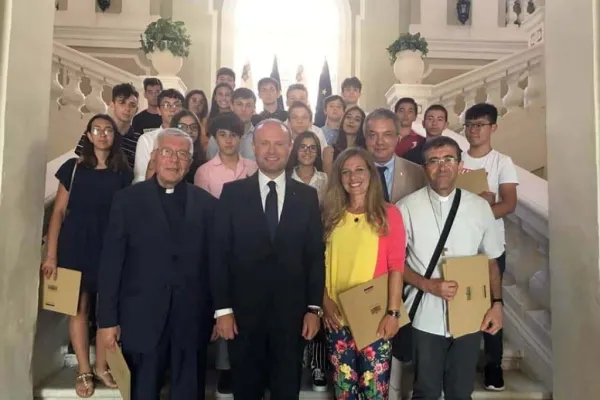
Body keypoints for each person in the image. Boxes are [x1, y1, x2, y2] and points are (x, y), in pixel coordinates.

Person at [98, 128, 215, 400]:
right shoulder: (127, 201)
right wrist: (107, 321)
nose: (174, 160)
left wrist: (217, 312)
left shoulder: (207, 205)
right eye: (167, 152)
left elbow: (214, 264)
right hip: (141, 319)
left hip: (191, 319)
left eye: (182, 154)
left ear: (190, 161)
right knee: (143, 392)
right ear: (154, 157)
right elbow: (111, 264)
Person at [211, 119, 325, 400]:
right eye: (265, 143)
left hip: (292, 317)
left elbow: (314, 255)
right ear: (254, 147)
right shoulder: (232, 194)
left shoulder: (308, 197)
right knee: (246, 390)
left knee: (286, 390)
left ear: (290, 149)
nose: (271, 150)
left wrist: (314, 308)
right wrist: (222, 310)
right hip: (243, 317)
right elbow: (219, 254)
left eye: (279, 144)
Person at [395, 136, 504, 400]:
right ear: (424, 167)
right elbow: (396, 265)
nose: (441, 166)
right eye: (433, 160)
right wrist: (428, 285)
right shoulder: (405, 207)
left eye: (448, 159)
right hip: (424, 313)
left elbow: (491, 260)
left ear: (459, 164)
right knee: (426, 391)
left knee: (460, 391)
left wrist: (497, 304)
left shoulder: (480, 208)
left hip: (470, 313)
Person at [42, 114, 132, 398]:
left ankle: (103, 365)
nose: (103, 134)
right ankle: (84, 368)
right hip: (76, 245)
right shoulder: (73, 168)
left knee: (107, 308)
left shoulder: (123, 171)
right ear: (89, 136)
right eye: (97, 129)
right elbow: (57, 213)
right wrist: (51, 255)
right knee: (78, 308)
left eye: (108, 130)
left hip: (111, 246)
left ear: (114, 137)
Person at [321, 147, 406, 399]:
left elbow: (396, 268)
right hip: (336, 316)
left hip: (375, 317)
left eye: (359, 169)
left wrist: (393, 313)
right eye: (345, 172)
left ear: (370, 173)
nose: (352, 177)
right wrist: (324, 301)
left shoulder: (388, 214)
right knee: (344, 390)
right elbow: (317, 262)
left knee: (374, 391)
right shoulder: (330, 215)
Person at [461, 103, 518, 391]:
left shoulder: (501, 161)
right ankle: (461, 363)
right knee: (461, 304)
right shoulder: (455, 159)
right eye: (469, 125)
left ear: (493, 127)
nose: (473, 130)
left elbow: (508, 203)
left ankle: (494, 365)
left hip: (490, 245)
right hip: (459, 245)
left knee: (492, 304)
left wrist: (480, 209)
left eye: (479, 124)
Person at [364, 108, 426, 204]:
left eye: (387, 135)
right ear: (365, 139)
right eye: (373, 135)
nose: (380, 142)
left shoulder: (417, 173)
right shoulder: (352, 172)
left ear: (398, 139)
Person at [75, 83, 140, 170]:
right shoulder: (96, 131)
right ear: (112, 105)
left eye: (132, 105)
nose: (127, 108)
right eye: (122, 103)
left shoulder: (139, 140)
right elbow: (80, 164)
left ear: (136, 110)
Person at [195, 112, 257, 199]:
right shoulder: (204, 172)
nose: (228, 140)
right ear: (215, 138)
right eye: (222, 135)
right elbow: (202, 208)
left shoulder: (254, 167)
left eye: (233, 135)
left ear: (240, 138)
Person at [133, 89, 184, 182]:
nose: (172, 109)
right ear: (159, 110)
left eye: (177, 105)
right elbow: (140, 177)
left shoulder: (188, 138)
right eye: (166, 105)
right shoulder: (146, 139)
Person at [207, 87, 256, 161]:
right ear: (232, 106)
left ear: (254, 109)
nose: (243, 109)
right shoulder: (217, 137)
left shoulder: (259, 137)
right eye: (239, 104)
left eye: (248, 105)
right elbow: (210, 166)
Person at [288, 101, 334, 175]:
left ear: (310, 122)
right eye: (295, 117)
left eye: (304, 117)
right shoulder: (283, 144)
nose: (300, 121)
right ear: (289, 122)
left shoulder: (317, 138)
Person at [287, 130, 328, 204]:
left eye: (312, 148)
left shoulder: (324, 179)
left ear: (317, 152)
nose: (307, 152)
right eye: (303, 147)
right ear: (296, 150)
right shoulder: (286, 177)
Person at [169, 109, 206, 183]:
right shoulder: (167, 157)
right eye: (182, 127)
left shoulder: (203, 160)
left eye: (193, 127)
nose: (189, 131)